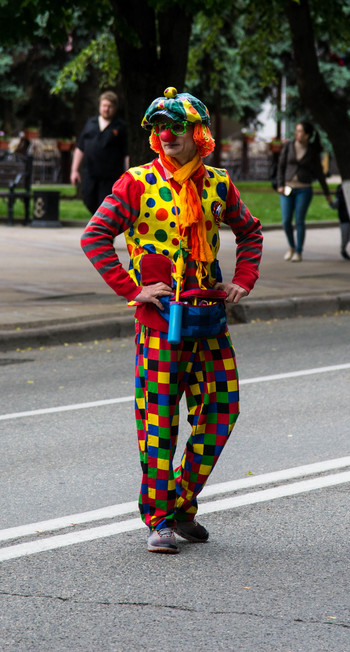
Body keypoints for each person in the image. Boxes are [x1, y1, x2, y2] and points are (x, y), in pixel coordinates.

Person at [80, 87, 263, 554]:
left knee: (223, 410)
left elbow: (250, 229)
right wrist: (132, 289)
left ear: (198, 133)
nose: (166, 135)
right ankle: (160, 520)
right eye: (160, 128)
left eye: (176, 127)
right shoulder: (136, 182)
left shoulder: (218, 184)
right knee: (158, 422)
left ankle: (179, 502)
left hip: (209, 320)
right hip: (161, 323)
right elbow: (95, 236)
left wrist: (243, 277)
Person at [277, 120, 333, 261]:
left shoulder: (312, 150)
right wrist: (280, 184)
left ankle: (299, 251)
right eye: (296, 131)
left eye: (300, 131)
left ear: (307, 135)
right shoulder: (289, 146)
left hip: (304, 190)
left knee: (299, 221)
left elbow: (320, 173)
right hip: (287, 188)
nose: (297, 134)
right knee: (286, 221)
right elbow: (281, 166)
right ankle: (291, 246)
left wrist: (326, 192)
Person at [71, 91, 129, 213]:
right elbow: (80, 148)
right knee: (88, 200)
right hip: (89, 174)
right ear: (99, 106)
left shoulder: (120, 126)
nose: (106, 109)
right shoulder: (90, 124)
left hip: (109, 176)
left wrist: (128, 174)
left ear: (115, 108)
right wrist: (74, 170)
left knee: (105, 205)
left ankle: (102, 228)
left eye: (110, 106)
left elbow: (126, 153)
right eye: (104, 106)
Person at [332, 184, 350, 262]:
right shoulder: (340, 191)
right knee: (345, 238)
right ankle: (343, 250)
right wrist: (330, 201)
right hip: (344, 218)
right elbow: (335, 205)